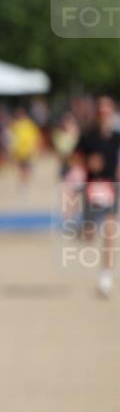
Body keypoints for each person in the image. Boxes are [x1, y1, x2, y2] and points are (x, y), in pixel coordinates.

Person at [73, 95, 120, 298]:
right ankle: (83, 228)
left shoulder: (116, 137)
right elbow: (73, 157)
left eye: (107, 109)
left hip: (111, 188)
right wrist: (87, 163)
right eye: (101, 110)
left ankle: (105, 277)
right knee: (89, 234)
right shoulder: (87, 136)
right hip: (91, 188)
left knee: (110, 232)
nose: (104, 113)